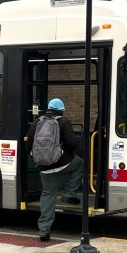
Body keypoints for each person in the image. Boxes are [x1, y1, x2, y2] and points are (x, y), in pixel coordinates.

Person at [26, 98, 82, 242]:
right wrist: (63, 154)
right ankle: (69, 193)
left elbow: (28, 145)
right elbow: (72, 143)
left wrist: (38, 159)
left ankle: (44, 231)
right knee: (79, 163)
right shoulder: (63, 122)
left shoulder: (38, 122)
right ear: (61, 110)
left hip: (44, 167)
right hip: (62, 163)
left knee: (47, 195)